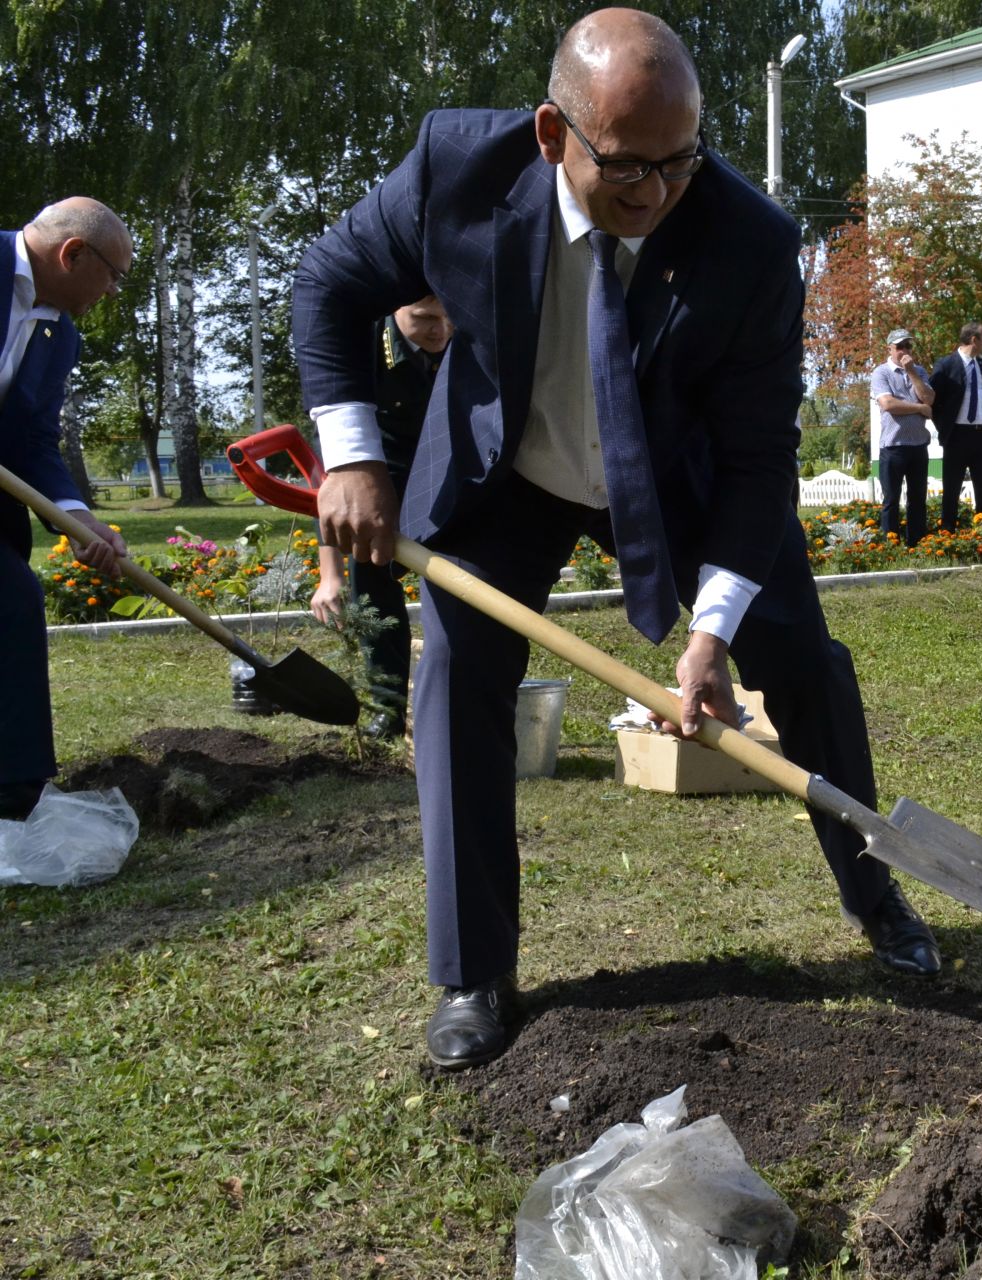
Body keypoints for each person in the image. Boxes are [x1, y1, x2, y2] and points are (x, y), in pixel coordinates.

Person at [293, 9, 941, 1073]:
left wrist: (713, 631)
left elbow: (755, 459)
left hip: (680, 479)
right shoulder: (456, 166)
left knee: (808, 668)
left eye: (680, 163)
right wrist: (356, 457)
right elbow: (329, 282)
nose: (657, 194)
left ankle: (878, 892)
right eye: (629, 167)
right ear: (555, 133)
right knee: (457, 675)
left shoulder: (750, 239)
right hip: (508, 469)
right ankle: (473, 972)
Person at [1, 198, 132, 820]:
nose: (112, 291)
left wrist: (76, 516)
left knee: (12, 604)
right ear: (73, 254)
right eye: (114, 275)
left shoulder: (59, 335)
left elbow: (31, 440)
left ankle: (15, 794)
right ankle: (14, 788)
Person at [310, 296, 452, 736]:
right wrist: (329, 577)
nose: (439, 332)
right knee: (372, 589)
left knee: (460, 591)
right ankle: (386, 709)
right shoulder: (360, 348)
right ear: (394, 309)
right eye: (425, 319)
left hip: (450, 471)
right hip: (377, 472)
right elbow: (334, 479)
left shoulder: (469, 342)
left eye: (449, 319)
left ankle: (453, 706)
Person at [929, 322, 982, 532]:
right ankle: (948, 534)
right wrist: (943, 426)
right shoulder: (946, 365)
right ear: (974, 340)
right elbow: (932, 400)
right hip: (957, 437)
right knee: (951, 491)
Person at [870, 328, 934, 547]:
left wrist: (912, 373)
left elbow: (929, 398)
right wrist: (919, 408)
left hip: (918, 447)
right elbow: (888, 404)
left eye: (908, 346)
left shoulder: (919, 372)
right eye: (900, 347)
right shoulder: (881, 373)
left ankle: (916, 544)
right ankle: (891, 546)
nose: (904, 351)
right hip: (893, 447)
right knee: (891, 500)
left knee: (917, 500)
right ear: (889, 348)